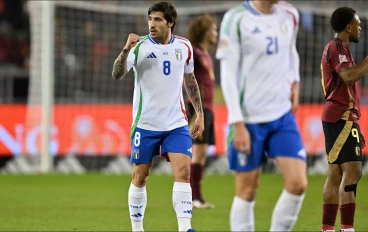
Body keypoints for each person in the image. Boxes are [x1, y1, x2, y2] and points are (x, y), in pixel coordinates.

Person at [111, 2, 204, 232]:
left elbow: (190, 81)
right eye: (150, 19)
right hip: (146, 124)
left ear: (170, 22)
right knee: (140, 176)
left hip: (176, 122)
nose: (152, 24)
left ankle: (185, 228)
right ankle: (137, 228)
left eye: (158, 19)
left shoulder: (184, 46)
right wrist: (125, 50)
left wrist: (199, 113)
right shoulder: (139, 46)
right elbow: (117, 74)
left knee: (183, 172)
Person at [216, 1, 307, 231]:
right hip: (248, 120)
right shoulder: (235, 19)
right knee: (247, 190)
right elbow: (227, 75)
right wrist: (237, 122)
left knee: (298, 184)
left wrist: (294, 80)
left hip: (282, 115)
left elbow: (291, 50)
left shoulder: (290, 14)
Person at [320, 7, 367, 232]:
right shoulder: (336, 46)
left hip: (341, 117)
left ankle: (328, 228)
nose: (360, 28)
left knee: (337, 172)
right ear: (349, 26)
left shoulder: (343, 50)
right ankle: (346, 228)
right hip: (341, 116)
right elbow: (348, 77)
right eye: (358, 24)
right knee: (353, 170)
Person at [186, 14, 218, 209]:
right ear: (204, 32)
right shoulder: (195, 54)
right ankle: (193, 197)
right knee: (197, 153)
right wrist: (194, 111)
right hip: (198, 110)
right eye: (213, 29)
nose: (216, 33)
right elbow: (187, 80)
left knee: (202, 154)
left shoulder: (206, 54)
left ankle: (197, 196)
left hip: (208, 108)